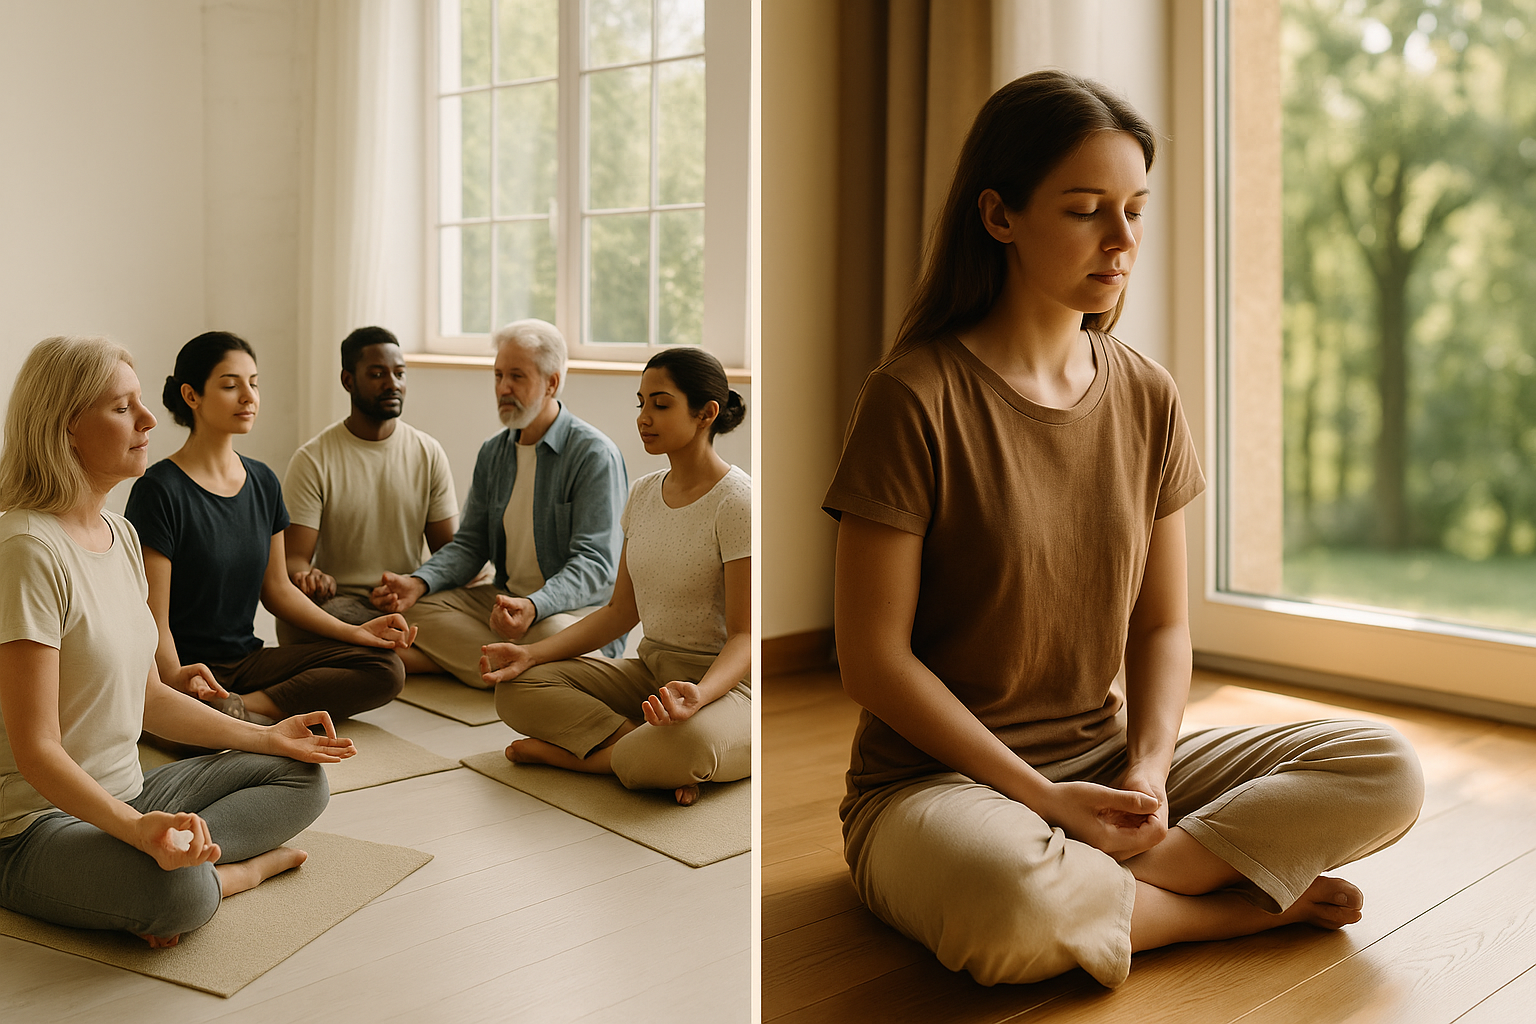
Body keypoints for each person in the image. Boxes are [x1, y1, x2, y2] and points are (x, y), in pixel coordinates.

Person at [821, 70, 1425, 988]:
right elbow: (871, 660)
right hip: (936, 786)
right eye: (1086, 210)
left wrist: (1146, 769)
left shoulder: (1146, 393)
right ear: (1000, 217)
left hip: (1102, 760)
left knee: (1387, 766)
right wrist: (1043, 800)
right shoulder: (913, 397)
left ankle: (1126, 889)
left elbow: (1162, 625)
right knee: (1010, 904)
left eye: (1135, 209)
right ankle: (1208, 912)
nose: (1123, 240)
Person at [0, 335, 354, 948]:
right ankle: (229, 875)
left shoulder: (121, 534)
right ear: (65, 429)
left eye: (141, 403)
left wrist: (266, 735)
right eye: (121, 408)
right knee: (180, 894)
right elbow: (36, 752)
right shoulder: (27, 551)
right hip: (31, 824)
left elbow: (150, 699)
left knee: (301, 775)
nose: (146, 421)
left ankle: (178, 861)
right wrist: (139, 835)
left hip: (132, 788)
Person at [480, 347, 750, 807]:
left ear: (707, 413)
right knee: (515, 690)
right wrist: (528, 654)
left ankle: (584, 759)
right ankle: (640, 753)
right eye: (641, 403)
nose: (645, 417)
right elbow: (619, 613)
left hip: (726, 690)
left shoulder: (737, 502)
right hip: (651, 675)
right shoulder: (644, 493)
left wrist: (700, 696)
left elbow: (745, 635)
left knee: (690, 744)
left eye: (660, 404)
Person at [125, 331, 417, 724]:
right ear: (192, 396)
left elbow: (278, 590)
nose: (248, 396)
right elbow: (153, 618)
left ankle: (244, 708)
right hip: (184, 667)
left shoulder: (263, 481)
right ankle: (211, 712)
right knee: (181, 730)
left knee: (385, 668)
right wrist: (176, 681)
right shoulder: (159, 490)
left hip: (248, 662)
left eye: (254, 383)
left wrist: (358, 632)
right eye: (231, 385)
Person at [370, 319, 628, 688]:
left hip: (572, 612)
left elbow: (595, 565)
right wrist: (418, 583)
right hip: (505, 603)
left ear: (551, 382)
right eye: (498, 375)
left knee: (556, 632)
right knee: (417, 611)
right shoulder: (494, 452)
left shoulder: (593, 454)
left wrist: (536, 605)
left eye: (517, 377)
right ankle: (523, 669)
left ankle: (485, 664)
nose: (503, 388)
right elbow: (472, 543)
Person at [278, 326, 459, 645]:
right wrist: (311, 577)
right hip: (342, 605)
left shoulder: (428, 452)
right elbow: (294, 559)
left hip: (408, 603)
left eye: (400, 374)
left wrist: (414, 584)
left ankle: (378, 653)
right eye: (377, 374)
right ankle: (395, 653)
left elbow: (447, 554)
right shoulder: (313, 459)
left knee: (473, 624)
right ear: (348, 380)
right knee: (302, 621)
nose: (393, 384)